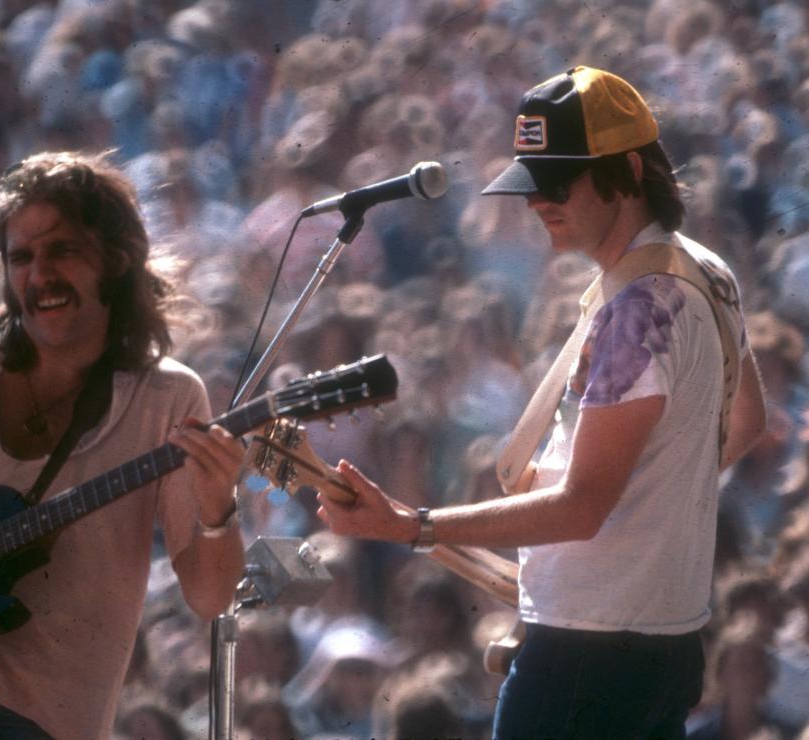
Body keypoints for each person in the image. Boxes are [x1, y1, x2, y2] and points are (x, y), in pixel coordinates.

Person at [318, 66, 768, 738]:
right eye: (532, 182)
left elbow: (583, 507)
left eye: (559, 182)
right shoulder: (704, 268)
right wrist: (655, 502)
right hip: (662, 643)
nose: (537, 202)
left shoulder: (636, 311)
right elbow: (747, 420)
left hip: (586, 654)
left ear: (631, 172)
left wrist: (412, 524)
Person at [0, 151, 246, 739]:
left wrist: (218, 508)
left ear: (116, 259)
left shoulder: (169, 397)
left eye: (63, 250)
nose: (40, 277)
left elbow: (211, 598)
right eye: (22, 258)